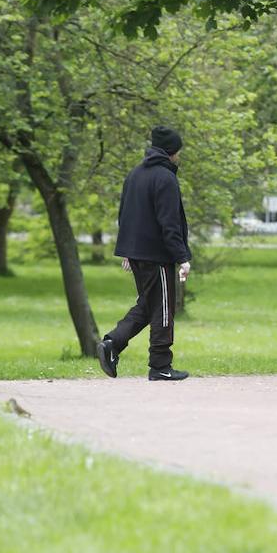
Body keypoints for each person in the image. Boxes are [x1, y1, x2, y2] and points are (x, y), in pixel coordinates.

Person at [97, 126, 193, 381]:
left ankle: (112, 344)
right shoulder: (165, 178)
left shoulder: (135, 174)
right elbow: (169, 223)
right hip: (156, 254)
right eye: (179, 152)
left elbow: (125, 215)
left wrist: (128, 250)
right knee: (163, 307)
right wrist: (182, 257)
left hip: (137, 252)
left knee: (149, 304)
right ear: (171, 152)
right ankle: (160, 364)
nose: (179, 157)